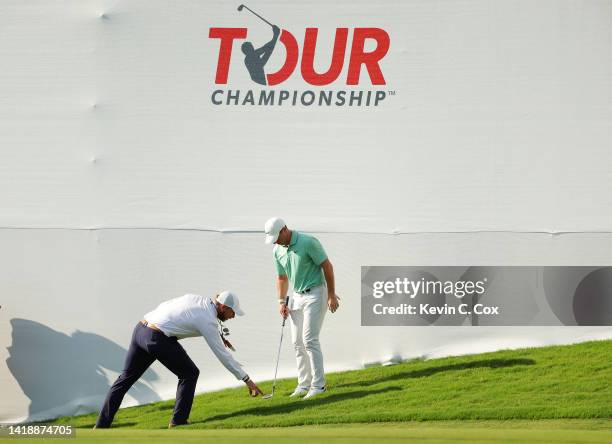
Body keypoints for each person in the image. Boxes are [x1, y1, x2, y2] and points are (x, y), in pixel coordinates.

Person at [95, 291, 263, 429]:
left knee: (125, 379)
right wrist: (247, 380)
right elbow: (223, 355)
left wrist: (218, 335)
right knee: (189, 373)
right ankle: (178, 421)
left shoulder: (197, 300)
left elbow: (178, 312)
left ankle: (101, 425)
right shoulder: (208, 320)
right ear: (224, 307)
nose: (233, 316)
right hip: (157, 338)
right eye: (233, 312)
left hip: (141, 329)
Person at [264, 217, 340, 399]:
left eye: (276, 237)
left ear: (284, 229)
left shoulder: (308, 242)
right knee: (297, 343)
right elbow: (282, 278)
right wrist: (281, 301)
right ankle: (304, 384)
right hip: (296, 297)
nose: (275, 241)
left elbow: (327, 266)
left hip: (315, 293)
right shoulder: (277, 251)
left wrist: (331, 294)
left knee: (309, 340)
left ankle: (319, 386)